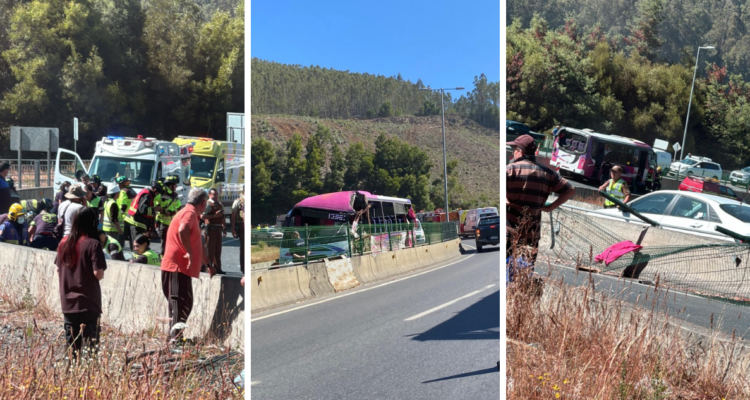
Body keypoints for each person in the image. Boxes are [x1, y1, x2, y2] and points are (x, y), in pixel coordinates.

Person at [506, 135, 575, 265]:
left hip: (510, 231)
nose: (513, 152)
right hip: (532, 235)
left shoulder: (510, 169)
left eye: (514, 149)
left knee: (506, 270)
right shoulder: (548, 173)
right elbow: (570, 190)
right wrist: (550, 207)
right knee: (525, 272)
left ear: (520, 151)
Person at [161, 188, 213, 343]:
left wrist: (208, 264)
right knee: (178, 304)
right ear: (203, 203)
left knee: (185, 303)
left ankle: (175, 336)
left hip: (182, 269)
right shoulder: (189, 213)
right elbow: (182, 229)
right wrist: (188, 252)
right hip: (176, 267)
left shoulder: (192, 215)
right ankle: (174, 339)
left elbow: (200, 245)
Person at [54, 207, 106, 360]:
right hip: (89, 302)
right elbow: (99, 274)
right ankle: (88, 376)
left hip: (68, 302)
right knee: (91, 346)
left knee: (71, 345)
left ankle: (71, 375)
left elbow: (58, 270)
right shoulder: (93, 245)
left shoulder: (63, 242)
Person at [123, 181, 161, 250]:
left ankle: (136, 258)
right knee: (137, 245)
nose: (158, 194)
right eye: (158, 192)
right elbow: (142, 210)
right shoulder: (147, 195)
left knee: (136, 245)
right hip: (135, 223)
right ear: (155, 190)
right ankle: (136, 260)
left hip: (133, 222)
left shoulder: (147, 193)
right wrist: (154, 209)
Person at [155, 176, 181, 256]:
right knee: (164, 243)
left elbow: (179, 206)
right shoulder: (161, 195)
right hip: (164, 223)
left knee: (173, 243)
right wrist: (162, 210)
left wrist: (172, 212)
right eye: (175, 185)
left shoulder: (174, 195)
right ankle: (163, 260)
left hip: (173, 223)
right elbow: (156, 204)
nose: (176, 187)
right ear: (170, 186)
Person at [203, 188, 226, 274]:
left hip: (218, 229)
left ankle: (217, 268)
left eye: (216, 194)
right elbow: (202, 216)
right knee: (210, 250)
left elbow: (222, 216)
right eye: (213, 194)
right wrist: (214, 216)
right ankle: (207, 268)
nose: (215, 196)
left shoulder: (219, 204)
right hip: (210, 229)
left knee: (218, 250)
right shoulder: (208, 204)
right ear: (209, 195)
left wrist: (224, 227)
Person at [230, 185, 245, 273]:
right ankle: (243, 268)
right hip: (241, 226)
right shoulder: (238, 201)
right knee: (243, 248)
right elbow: (233, 216)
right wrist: (232, 229)